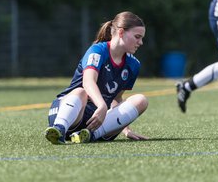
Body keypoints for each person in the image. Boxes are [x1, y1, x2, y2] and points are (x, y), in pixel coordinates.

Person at [45, 11, 148, 144]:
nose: (141, 42)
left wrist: (125, 128)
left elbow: (116, 99)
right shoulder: (97, 51)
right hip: (68, 113)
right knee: (80, 92)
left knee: (141, 100)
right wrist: (102, 106)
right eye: (137, 37)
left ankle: (89, 135)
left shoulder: (134, 65)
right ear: (121, 32)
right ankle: (59, 130)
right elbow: (88, 82)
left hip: (96, 121)